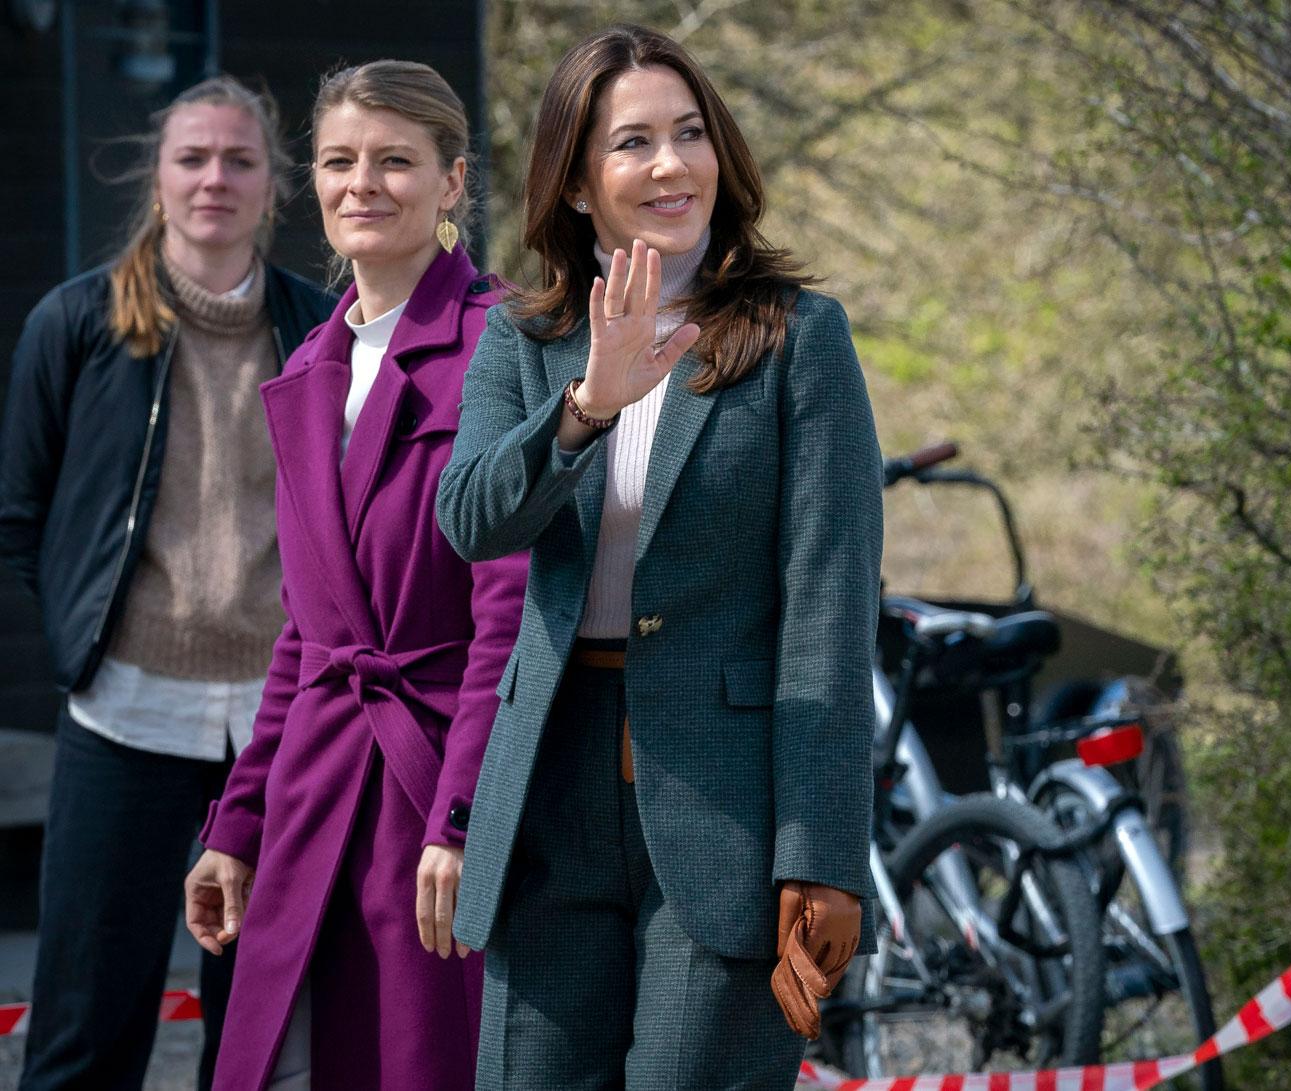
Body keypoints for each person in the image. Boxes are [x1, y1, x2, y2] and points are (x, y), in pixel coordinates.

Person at [436, 23, 883, 1090]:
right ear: (581, 183)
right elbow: (470, 519)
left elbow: (829, 603)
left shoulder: (796, 338)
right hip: (550, 783)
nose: (671, 164)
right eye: (633, 142)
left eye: (691, 133)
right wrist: (589, 403)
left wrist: (819, 853)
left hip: (725, 807)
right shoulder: (523, 338)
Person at [182, 60, 526, 1091]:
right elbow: (307, 634)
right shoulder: (303, 374)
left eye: (395, 161)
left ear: (453, 181)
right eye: (339, 161)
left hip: (426, 795)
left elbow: (508, 619)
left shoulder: (505, 344)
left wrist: (465, 816)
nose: (362, 184)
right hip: (311, 791)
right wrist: (236, 825)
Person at [0, 76, 333, 1091]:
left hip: (278, 729)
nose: (214, 179)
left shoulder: (320, 330)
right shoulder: (76, 323)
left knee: (258, 1038)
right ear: (157, 175)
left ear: (272, 184)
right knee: (85, 1024)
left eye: (238, 159)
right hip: (126, 714)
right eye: (193, 158)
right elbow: (22, 516)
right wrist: (82, 643)